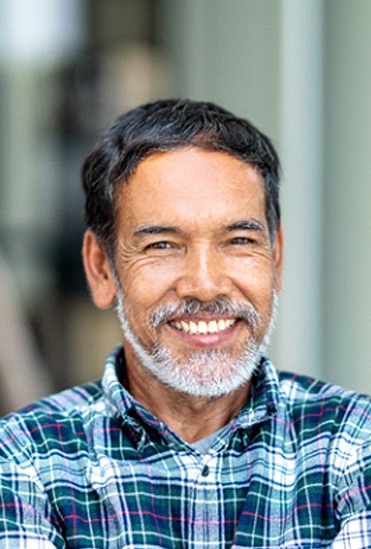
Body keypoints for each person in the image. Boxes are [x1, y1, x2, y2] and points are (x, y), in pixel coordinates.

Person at [0, 99, 370, 548]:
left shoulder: (354, 444)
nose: (206, 285)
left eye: (238, 240)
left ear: (276, 257)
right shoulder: (26, 459)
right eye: (161, 245)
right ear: (101, 269)